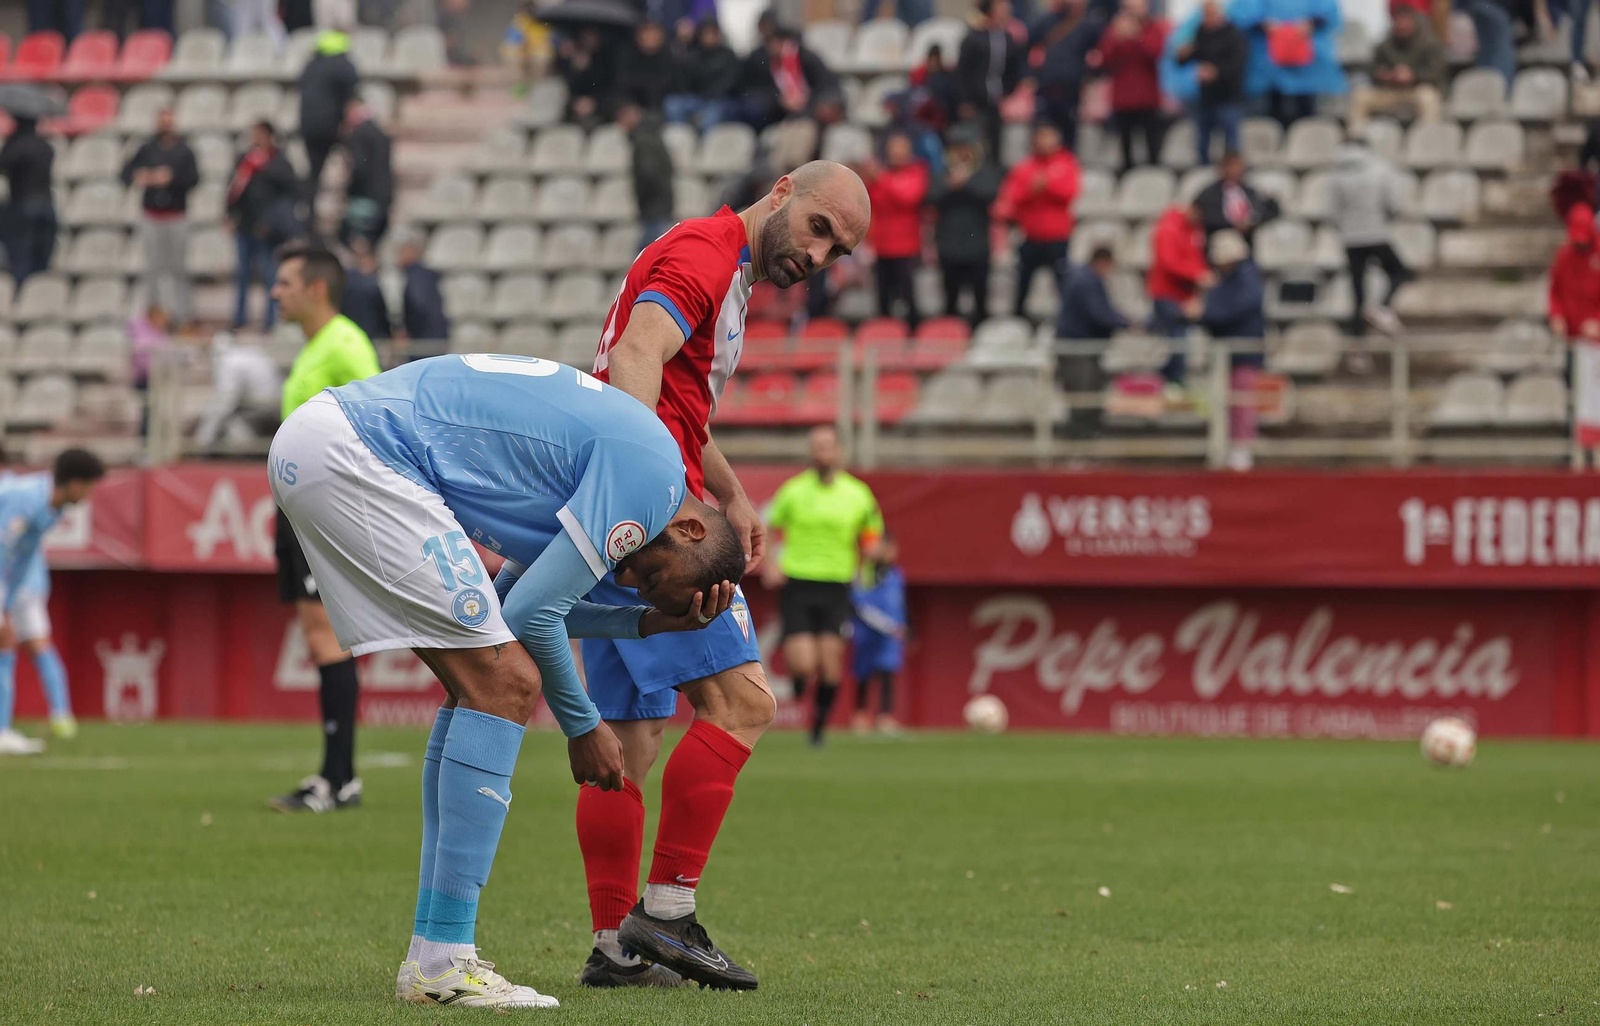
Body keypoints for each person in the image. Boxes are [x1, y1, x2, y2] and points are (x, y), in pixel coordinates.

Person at [271, 355, 744, 1009]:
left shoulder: (625, 471)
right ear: (691, 528)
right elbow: (529, 617)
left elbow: (514, 603)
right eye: (653, 578)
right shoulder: (650, 485)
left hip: (330, 441)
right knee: (504, 684)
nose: (631, 580)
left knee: (482, 684)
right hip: (363, 452)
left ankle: (433, 954)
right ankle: (443, 961)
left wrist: (647, 623)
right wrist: (583, 724)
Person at [578, 160, 870, 991]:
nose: (818, 256)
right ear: (783, 190)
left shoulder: (715, 265)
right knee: (743, 704)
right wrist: (657, 508)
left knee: (625, 741)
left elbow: (674, 392)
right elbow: (638, 353)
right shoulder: (708, 252)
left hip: (601, 512)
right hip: (646, 524)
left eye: (836, 252)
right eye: (818, 229)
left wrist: (732, 492)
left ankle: (614, 947)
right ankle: (666, 914)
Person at [266, 242, 382, 815]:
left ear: (316, 288)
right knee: (318, 638)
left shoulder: (345, 342)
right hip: (297, 510)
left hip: (323, 510)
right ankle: (336, 775)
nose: (273, 292)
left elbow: (375, 418)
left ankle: (339, 779)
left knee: (327, 638)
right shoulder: (316, 347)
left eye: (284, 282)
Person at [763, 425, 885, 747]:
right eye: (816, 447)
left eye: (827, 447)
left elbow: (871, 529)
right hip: (799, 581)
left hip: (837, 583)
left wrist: (869, 553)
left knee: (831, 664)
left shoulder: (857, 493)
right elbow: (774, 527)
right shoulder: (793, 490)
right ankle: (801, 681)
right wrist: (772, 564)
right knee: (803, 662)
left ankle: (817, 728)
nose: (822, 453)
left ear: (839, 451)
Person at [0, 451, 106, 756]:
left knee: (5, 640)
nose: (89, 494)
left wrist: (6, 599)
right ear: (74, 484)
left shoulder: (52, 509)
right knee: (6, 638)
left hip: (9, 581)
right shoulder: (27, 500)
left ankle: (4, 729)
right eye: (89, 486)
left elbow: (21, 560)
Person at [121, 108, 200, 327]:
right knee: (152, 268)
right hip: (152, 216)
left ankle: (182, 315)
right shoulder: (146, 149)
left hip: (176, 216)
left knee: (178, 267)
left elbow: (194, 179)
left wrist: (171, 179)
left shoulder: (184, 151)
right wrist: (144, 176)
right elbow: (126, 173)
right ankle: (153, 314)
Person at [1196, 229, 1266, 471]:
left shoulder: (1247, 278)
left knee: (1242, 401)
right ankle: (1224, 446)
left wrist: (1204, 314)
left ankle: (1241, 449)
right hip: (1224, 351)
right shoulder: (1224, 280)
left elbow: (1235, 309)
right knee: (1222, 401)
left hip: (1242, 350)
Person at [995, 121, 1081, 319]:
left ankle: (1069, 319)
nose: (1045, 142)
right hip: (1031, 237)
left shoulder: (1066, 163)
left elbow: (1071, 192)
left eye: (1049, 137)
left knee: (1062, 284)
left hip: (1058, 237)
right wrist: (1031, 190)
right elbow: (1012, 197)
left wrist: (1047, 185)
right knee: (1022, 283)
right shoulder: (1024, 167)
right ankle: (1017, 320)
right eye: (1042, 137)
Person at [1327, 142, 1411, 337]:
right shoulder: (1381, 169)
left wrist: (1346, 227)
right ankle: (1383, 306)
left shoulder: (1336, 174)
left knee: (1358, 292)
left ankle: (1358, 348)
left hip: (1350, 238)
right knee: (1401, 273)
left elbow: (1332, 210)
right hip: (1376, 233)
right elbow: (1393, 203)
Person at [226, 121, 298, 330]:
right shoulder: (245, 160)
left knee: (270, 276)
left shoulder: (278, 161)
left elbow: (289, 191)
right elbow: (233, 189)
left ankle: (270, 320)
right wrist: (230, 214)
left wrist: (270, 222)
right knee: (242, 276)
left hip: (267, 231)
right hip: (245, 226)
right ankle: (239, 318)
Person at [930, 126, 1002, 326]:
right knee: (950, 302)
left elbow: (990, 193)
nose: (961, 152)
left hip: (977, 247)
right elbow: (931, 196)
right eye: (957, 147)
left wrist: (966, 183)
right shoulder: (941, 170)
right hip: (948, 247)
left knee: (981, 301)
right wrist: (950, 186)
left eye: (966, 147)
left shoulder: (984, 170)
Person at [1055, 246, 1127, 435]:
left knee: (1089, 394)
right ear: (1103, 261)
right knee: (1083, 396)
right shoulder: (1087, 281)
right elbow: (1099, 314)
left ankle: (1085, 440)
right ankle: (1079, 444)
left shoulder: (1083, 278)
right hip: (1077, 348)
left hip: (1080, 347)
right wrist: (1126, 324)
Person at [1241, 0, 1344, 128]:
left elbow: (1327, 15)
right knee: (1272, 110)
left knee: (1306, 109)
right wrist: (1265, 25)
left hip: (1309, 67)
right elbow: (1243, 16)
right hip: (1267, 67)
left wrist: (1310, 23)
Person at [864, 131, 930, 327]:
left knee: (908, 297)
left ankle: (911, 335)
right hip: (881, 244)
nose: (897, 153)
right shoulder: (881, 175)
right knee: (883, 297)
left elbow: (908, 198)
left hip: (906, 246)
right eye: (893, 148)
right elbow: (870, 203)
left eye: (901, 148)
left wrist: (881, 179)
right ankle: (884, 336)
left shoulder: (916, 171)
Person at [1549, 204, 1600, 458]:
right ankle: (1575, 452)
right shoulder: (1564, 256)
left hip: (1597, 347)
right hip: (1573, 343)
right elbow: (1555, 292)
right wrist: (1556, 316)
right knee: (1573, 397)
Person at [1093, 0, 1168, 169]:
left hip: (1147, 98)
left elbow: (1155, 54)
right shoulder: (1115, 29)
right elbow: (1105, 59)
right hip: (1122, 99)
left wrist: (1136, 36)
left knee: (1151, 146)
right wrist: (1116, 37)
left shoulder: (1153, 28)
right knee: (1125, 148)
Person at [1348, 5, 1445, 135]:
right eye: (1399, 21)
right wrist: (1383, 75)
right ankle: (1356, 139)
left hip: (1415, 90)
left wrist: (1413, 76)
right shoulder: (1385, 44)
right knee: (1361, 95)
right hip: (1390, 90)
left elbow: (1436, 73)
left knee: (1428, 96)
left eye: (1406, 20)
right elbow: (1372, 69)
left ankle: (1428, 137)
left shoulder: (1429, 43)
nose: (1402, 25)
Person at [1174, 0, 1248, 164]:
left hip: (1228, 97)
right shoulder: (1200, 33)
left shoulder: (1233, 34)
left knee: (1231, 144)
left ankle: (1232, 176)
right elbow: (1184, 60)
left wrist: (1216, 72)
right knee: (1202, 143)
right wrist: (1182, 55)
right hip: (1205, 98)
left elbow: (1238, 65)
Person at [1147, 201, 1213, 382]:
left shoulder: (1194, 229)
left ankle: (1171, 383)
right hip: (1167, 295)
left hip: (1184, 296)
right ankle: (1167, 382)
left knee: (1181, 345)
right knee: (1176, 344)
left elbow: (1196, 258)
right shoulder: (1169, 228)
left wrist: (1196, 291)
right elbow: (1169, 262)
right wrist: (1197, 275)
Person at [298, 28, 360, 215]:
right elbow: (350, 101)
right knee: (357, 164)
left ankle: (307, 214)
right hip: (332, 126)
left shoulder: (311, 65)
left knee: (314, 172)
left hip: (308, 126)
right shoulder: (344, 65)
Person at [1029, 0, 1105, 151]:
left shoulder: (1086, 24)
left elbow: (1101, 52)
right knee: (1043, 133)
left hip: (1070, 89)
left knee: (1069, 136)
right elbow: (1027, 47)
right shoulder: (1044, 22)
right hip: (1046, 87)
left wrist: (1090, 75)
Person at [849, 535, 906, 734]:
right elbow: (858, 604)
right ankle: (860, 716)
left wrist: (905, 627)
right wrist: (886, 625)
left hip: (891, 636)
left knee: (888, 673)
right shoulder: (864, 574)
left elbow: (899, 604)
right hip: (867, 633)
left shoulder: (896, 574)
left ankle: (885, 716)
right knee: (863, 675)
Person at [956, 0, 1026, 157]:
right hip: (976, 100)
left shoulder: (1007, 38)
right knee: (976, 143)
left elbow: (1013, 68)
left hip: (997, 100)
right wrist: (965, 100)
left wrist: (1008, 91)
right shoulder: (974, 38)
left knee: (996, 142)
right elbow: (963, 72)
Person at [193, 332, 283, 451]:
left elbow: (224, 401)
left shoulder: (229, 362)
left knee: (232, 425)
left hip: (263, 410)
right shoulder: (246, 354)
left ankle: (245, 457)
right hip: (274, 406)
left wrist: (202, 439)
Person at [0, 117, 58, 284]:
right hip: (46, 207)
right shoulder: (45, 147)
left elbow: (3, 165)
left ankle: (20, 293)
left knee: (21, 259)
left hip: (22, 207)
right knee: (42, 259)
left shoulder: (16, 147)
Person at [664, 18, 742, 131]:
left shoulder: (727, 55)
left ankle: (707, 146)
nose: (709, 37)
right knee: (672, 104)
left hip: (718, 100)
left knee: (712, 114)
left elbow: (730, 80)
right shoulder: (692, 55)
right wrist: (683, 45)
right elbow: (682, 80)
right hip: (697, 98)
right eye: (706, 33)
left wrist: (713, 92)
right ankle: (684, 139)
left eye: (712, 33)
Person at [619, 104, 676, 254]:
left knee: (648, 253)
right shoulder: (654, 136)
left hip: (653, 205)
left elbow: (648, 174)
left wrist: (642, 197)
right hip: (660, 202)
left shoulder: (642, 141)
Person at [1194, 151, 1280, 245]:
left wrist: (1252, 223)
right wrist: (1231, 224)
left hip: (1247, 240)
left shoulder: (1250, 192)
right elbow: (1202, 215)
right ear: (1222, 168)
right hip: (1219, 242)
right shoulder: (1210, 193)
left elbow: (1270, 211)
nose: (1236, 170)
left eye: (1239, 166)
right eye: (1232, 166)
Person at [341, 101, 392, 250]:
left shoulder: (359, 134)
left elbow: (359, 168)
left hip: (364, 197)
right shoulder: (380, 133)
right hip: (382, 197)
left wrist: (349, 191)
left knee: (360, 244)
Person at [559, 28, 619, 127]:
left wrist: (594, 103)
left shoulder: (607, 60)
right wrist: (575, 69)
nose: (589, 39)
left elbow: (611, 87)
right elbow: (566, 86)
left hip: (600, 114)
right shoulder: (570, 58)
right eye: (586, 36)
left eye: (593, 36)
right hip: (573, 112)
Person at [397, 231, 450, 342]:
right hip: (434, 335)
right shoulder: (424, 275)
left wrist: (409, 331)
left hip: (424, 338)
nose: (398, 257)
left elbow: (418, 305)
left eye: (401, 252)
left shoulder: (417, 277)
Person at [618, 21, 678, 113]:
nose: (650, 38)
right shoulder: (628, 55)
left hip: (661, 105)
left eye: (654, 34)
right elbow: (624, 82)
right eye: (647, 34)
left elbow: (669, 83)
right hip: (632, 103)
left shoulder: (668, 57)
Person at [340, 239, 391, 342]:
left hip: (347, 335)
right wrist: (388, 333)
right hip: (370, 336)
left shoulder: (344, 281)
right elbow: (382, 313)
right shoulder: (371, 284)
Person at [502, 0, 551, 94]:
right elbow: (512, 40)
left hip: (539, 54)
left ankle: (538, 89)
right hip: (523, 53)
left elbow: (551, 40)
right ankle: (519, 89)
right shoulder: (520, 21)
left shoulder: (545, 21)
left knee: (540, 58)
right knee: (512, 56)